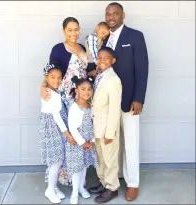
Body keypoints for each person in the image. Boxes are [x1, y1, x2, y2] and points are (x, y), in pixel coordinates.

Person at [104, 2, 149, 201]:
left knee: (130, 142)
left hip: (129, 100)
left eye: (115, 13)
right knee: (112, 143)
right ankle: (115, 178)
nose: (111, 17)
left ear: (123, 15)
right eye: (108, 14)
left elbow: (142, 69)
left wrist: (139, 98)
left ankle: (132, 183)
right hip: (108, 104)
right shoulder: (104, 39)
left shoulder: (135, 36)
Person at [39, 63, 76, 204]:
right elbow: (56, 116)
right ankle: (49, 189)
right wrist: (67, 134)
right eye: (52, 77)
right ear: (46, 78)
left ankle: (53, 187)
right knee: (56, 160)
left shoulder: (54, 90)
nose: (56, 80)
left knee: (58, 159)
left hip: (58, 126)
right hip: (53, 128)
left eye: (59, 77)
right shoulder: (49, 93)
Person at [89, 47, 122, 203]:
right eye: (100, 58)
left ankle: (112, 188)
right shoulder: (100, 76)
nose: (102, 60)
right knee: (101, 159)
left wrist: (110, 133)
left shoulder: (113, 80)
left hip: (107, 130)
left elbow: (115, 109)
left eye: (106, 58)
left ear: (113, 60)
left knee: (109, 160)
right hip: (97, 127)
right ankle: (104, 183)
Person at [41, 17, 88, 109]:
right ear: (64, 31)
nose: (73, 33)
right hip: (65, 96)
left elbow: (84, 70)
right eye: (70, 30)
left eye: (76, 30)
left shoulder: (83, 47)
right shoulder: (58, 49)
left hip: (82, 96)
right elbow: (51, 73)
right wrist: (43, 87)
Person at [66, 76, 99, 204]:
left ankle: (81, 187)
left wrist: (92, 141)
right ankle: (74, 192)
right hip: (77, 143)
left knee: (84, 166)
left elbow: (94, 125)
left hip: (88, 143)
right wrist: (82, 142)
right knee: (77, 168)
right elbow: (72, 128)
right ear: (77, 90)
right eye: (83, 89)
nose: (86, 92)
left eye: (89, 89)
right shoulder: (74, 107)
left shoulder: (91, 106)